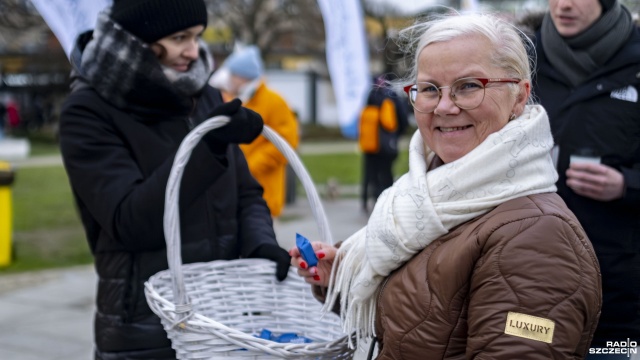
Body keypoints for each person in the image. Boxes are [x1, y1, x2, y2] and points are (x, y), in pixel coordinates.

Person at [289, 13, 602, 359]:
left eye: (469, 86)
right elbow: (418, 324)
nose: (444, 106)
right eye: (429, 89)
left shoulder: (539, 237)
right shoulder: (426, 197)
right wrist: (343, 277)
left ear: (519, 96)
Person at [58, 0, 291, 359]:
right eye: (180, 37)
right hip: (144, 324)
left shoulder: (204, 93)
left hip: (223, 315)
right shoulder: (88, 110)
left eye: (197, 36)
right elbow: (131, 222)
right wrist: (205, 147)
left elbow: (245, 192)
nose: (193, 51)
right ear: (134, 38)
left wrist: (260, 244)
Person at [520, 0, 640, 355]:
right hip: (529, 283)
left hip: (620, 297)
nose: (564, 5)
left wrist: (626, 184)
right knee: (527, 346)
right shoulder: (520, 61)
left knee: (610, 353)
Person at [213, 45, 300, 217]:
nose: (229, 79)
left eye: (233, 74)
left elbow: (286, 143)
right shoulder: (236, 100)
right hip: (236, 195)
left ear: (243, 76)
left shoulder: (274, 102)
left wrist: (248, 166)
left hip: (264, 196)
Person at [358, 74, 409, 212]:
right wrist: (395, 135)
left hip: (371, 144)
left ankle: (369, 201)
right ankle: (386, 204)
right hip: (387, 143)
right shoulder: (392, 95)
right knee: (386, 173)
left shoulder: (371, 95)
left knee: (371, 174)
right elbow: (403, 119)